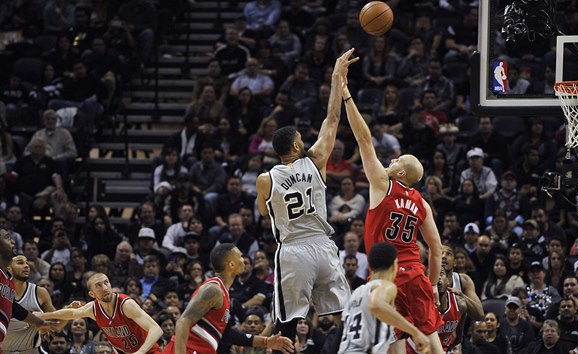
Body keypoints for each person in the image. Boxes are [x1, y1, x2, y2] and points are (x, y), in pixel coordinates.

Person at [254, 48, 357, 349]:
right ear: (298, 144)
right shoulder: (317, 160)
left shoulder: (265, 179)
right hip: (324, 246)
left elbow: (262, 213)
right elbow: (333, 117)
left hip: (293, 250)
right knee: (342, 314)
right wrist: (338, 77)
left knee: (287, 320)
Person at [341, 58, 443, 354]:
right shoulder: (421, 202)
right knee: (432, 338)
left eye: (397, 160)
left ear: (401, 174)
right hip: (415, 270)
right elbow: (435, 248)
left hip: (387, 272)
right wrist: (434, 284)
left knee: (394, 340)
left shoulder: (382, 185)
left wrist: (347, 94)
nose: (391, 160)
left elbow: (363, 139)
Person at [165, 243, 294, 354]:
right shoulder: (213, 290)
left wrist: (266, 342)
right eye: (240, 256)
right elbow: (183, 322)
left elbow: (228, 335)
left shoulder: (223, 293)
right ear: (231, 264)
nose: (243, 260)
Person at [337, 242, 429, 353]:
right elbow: (375, 304)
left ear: (370, 266)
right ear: (395, 265)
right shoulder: (386, 286)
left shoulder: (356, 293)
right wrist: (416, 332)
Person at [39, 273, 163, 354]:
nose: (104, 287)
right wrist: (44, 315)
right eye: (98, 286)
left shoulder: (125, 304)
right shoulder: (94, 309)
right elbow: (72, 313)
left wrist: (140, 353)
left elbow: (156, 329)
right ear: (92, 294)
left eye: (106, 282)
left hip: (148, 351)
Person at [4, 255, 67, 353]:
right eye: (20, 262)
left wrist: (68, 312)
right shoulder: (2, 292)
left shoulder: (40, 292)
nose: (26, 266)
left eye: (27, 263)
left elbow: (55, 326)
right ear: (8, 268)